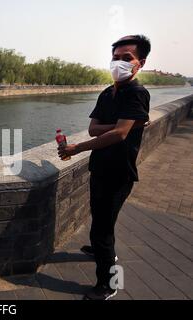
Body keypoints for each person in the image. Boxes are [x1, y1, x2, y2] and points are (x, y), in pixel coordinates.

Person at [58, 35, 152, 300]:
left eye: (127, 58)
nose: (119, 63)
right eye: (115, 57)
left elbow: (118, 136)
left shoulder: (137, 93)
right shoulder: (107, 93)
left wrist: (78, 147)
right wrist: (126, 124)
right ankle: (102, 249)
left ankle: (109, 285)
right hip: (100, 166)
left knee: (102, 228)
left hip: (119, 172)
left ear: (140, 63)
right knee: (100, 219)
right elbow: (94, 128)